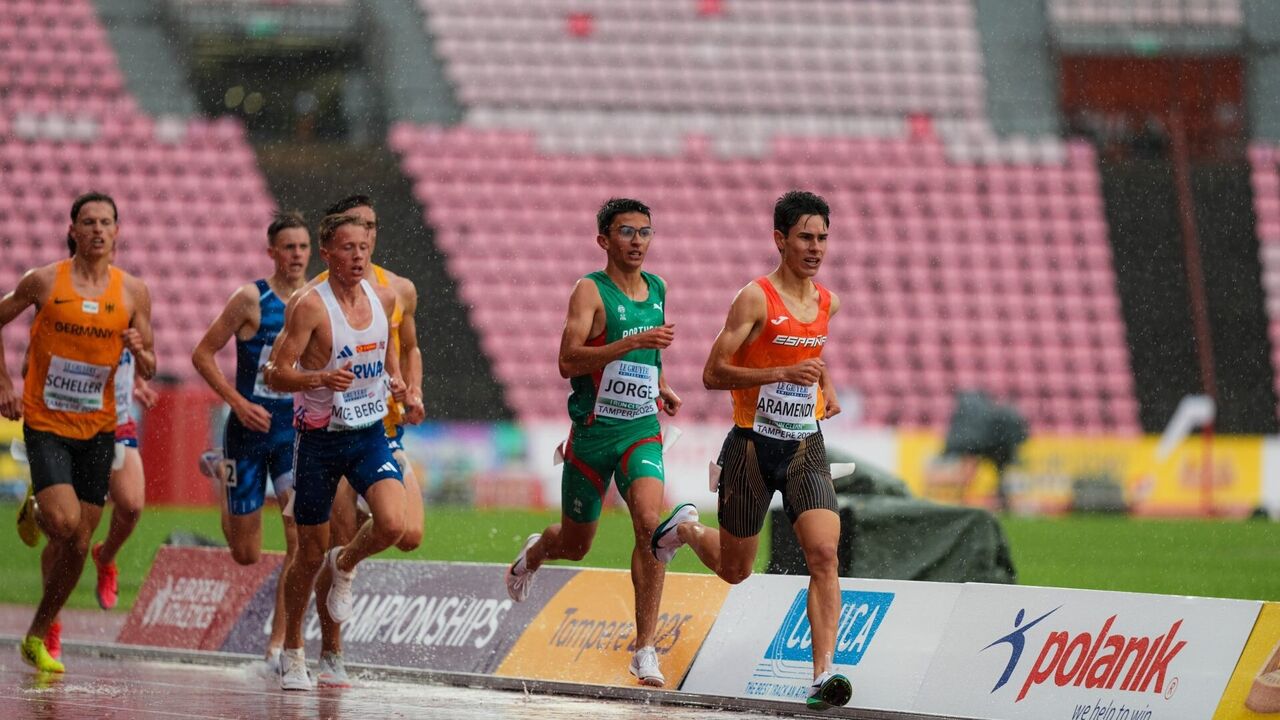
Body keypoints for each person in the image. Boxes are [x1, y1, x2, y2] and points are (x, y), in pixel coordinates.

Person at [649, 190, 852, 711]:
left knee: (824, 554)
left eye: (823, 238)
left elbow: (811, 353)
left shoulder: (826, 301)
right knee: (737, 570)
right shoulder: (755, 298)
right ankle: (685, 530)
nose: (815, 247)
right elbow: (712, 373)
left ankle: (822, 674)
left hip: (805, 444)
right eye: (805, 237)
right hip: (750, 448)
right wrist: (783, 373)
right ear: (779, 239)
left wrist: (824, 385)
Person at [505, 198, 681, 687]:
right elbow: (567, 361)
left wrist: (660, 385)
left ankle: (645, 647)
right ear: (604, 240)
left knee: (651, 526)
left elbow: (651, 353)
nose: (638, 241)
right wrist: (626, 344)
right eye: (627, 232)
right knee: (576, 545)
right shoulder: (589, 291)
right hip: (591, 435)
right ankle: (536, 552)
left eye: (646, 232)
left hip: (640, 429)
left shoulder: (658, 287)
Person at [0, 192, 155, 673]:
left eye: (106, 222)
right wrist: (5, 382)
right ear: (73, 230)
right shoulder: (44, 281)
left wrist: (139, 348)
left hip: (99, 427)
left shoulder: (133, 292)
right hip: (47, 422)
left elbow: (149, 361)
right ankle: (42, 505)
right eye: (88, 222)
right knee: (65, 525)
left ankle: (37, 633)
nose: (97, 231)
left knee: (79, 544)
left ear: (117, 231)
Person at [264, 212, 407, 691]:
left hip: (367, 432)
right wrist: (319, 378)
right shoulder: (309, 306)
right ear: (327, 253)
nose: (358, 256)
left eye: (364, 247)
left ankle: (344, 565)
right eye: (347, 249)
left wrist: (397, 379)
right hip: (319, 441)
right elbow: (275, 374)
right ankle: (293, 653)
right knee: (307, 554)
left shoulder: (383, 297)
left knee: (392, 523)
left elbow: (388, 349)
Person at [191, 211, 312, 670]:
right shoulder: (249, 299)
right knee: (246, 555)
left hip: (292, 435)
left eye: (303, 247)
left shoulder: (316, 301)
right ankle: (224, 477)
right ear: (272, 252)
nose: (297, 255)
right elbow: (201, 354)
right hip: (246, 431)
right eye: (289, 247)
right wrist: (238, 403)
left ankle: (278, 648)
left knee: (299, 538)